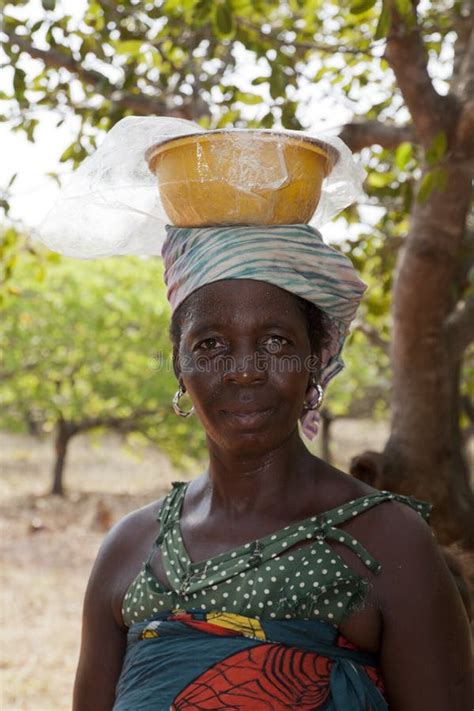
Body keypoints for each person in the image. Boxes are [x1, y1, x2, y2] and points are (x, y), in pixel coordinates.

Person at [72, 223, 473, 711]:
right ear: (180, 367)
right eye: (210, 345)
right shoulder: (129, 551)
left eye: (277, 342)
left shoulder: (389, 543)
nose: (244, 368)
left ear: (315, 361)